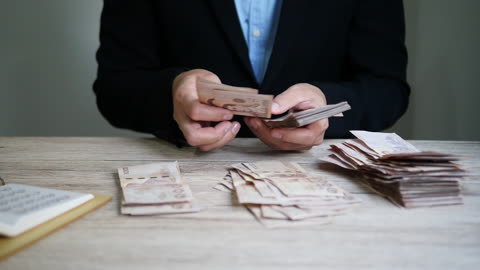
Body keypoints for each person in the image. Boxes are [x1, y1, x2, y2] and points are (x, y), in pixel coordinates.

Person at [93, 0, 409, 151]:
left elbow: (387, 89)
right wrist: (174, 91)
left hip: (321, 170)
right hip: (189, 166)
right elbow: (114, 87)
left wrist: (326, 106)